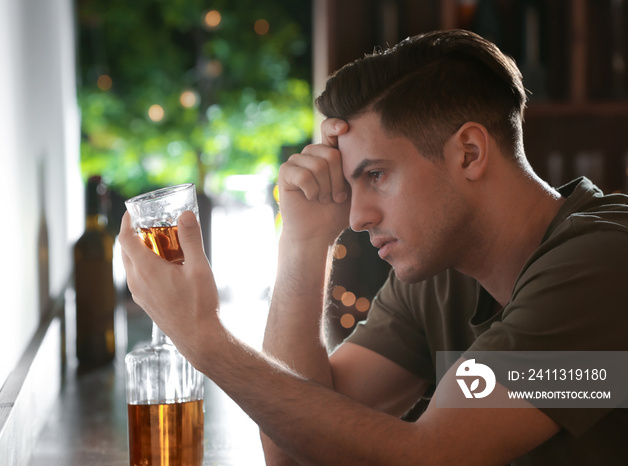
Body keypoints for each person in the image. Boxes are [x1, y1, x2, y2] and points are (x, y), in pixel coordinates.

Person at [119, 29, 628, 465]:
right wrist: (304, 239)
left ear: (469, 153)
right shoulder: (443, 271)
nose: (357, 217)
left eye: (377, 175)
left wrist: (203, 339)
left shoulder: (604, 264)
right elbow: (293, 447)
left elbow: (434, 455)